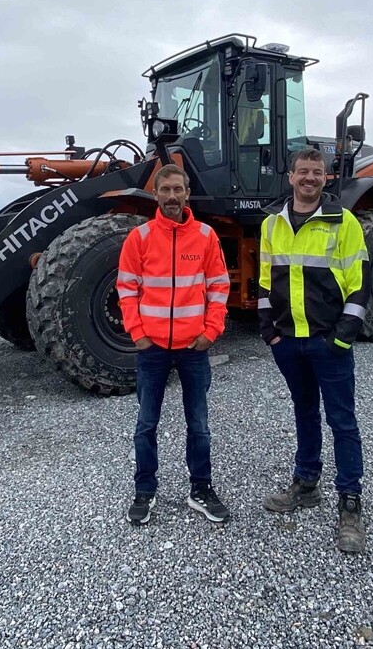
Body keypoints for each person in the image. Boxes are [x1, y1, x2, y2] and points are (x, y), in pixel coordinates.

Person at [259, 148, 370, 553]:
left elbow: (360, 284)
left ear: (326, 178)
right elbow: (265, 279)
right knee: (304, 413)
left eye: (316, 172)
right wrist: (269, 332)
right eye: (302, 171)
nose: (309, 178)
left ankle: (350, 502)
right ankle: (306, 483)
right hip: (289, 343)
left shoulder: (345, 222)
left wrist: (342, 336)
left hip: (328, 342)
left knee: (342, 421)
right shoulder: (272, 224)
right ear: (290, 177)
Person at [117, 164, 232, 526]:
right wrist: (138, 334)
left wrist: (211, 332)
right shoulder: (140, 237)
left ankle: (200, 489)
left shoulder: (206, 236)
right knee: (145, 424)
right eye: (164, 189)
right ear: (156, 194)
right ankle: (145, 491)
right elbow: (126, 289)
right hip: (152, 349)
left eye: (177, 189)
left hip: (193, 349)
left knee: (198, 424)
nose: (171, 196)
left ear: (186, 193)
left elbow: (218, 287)